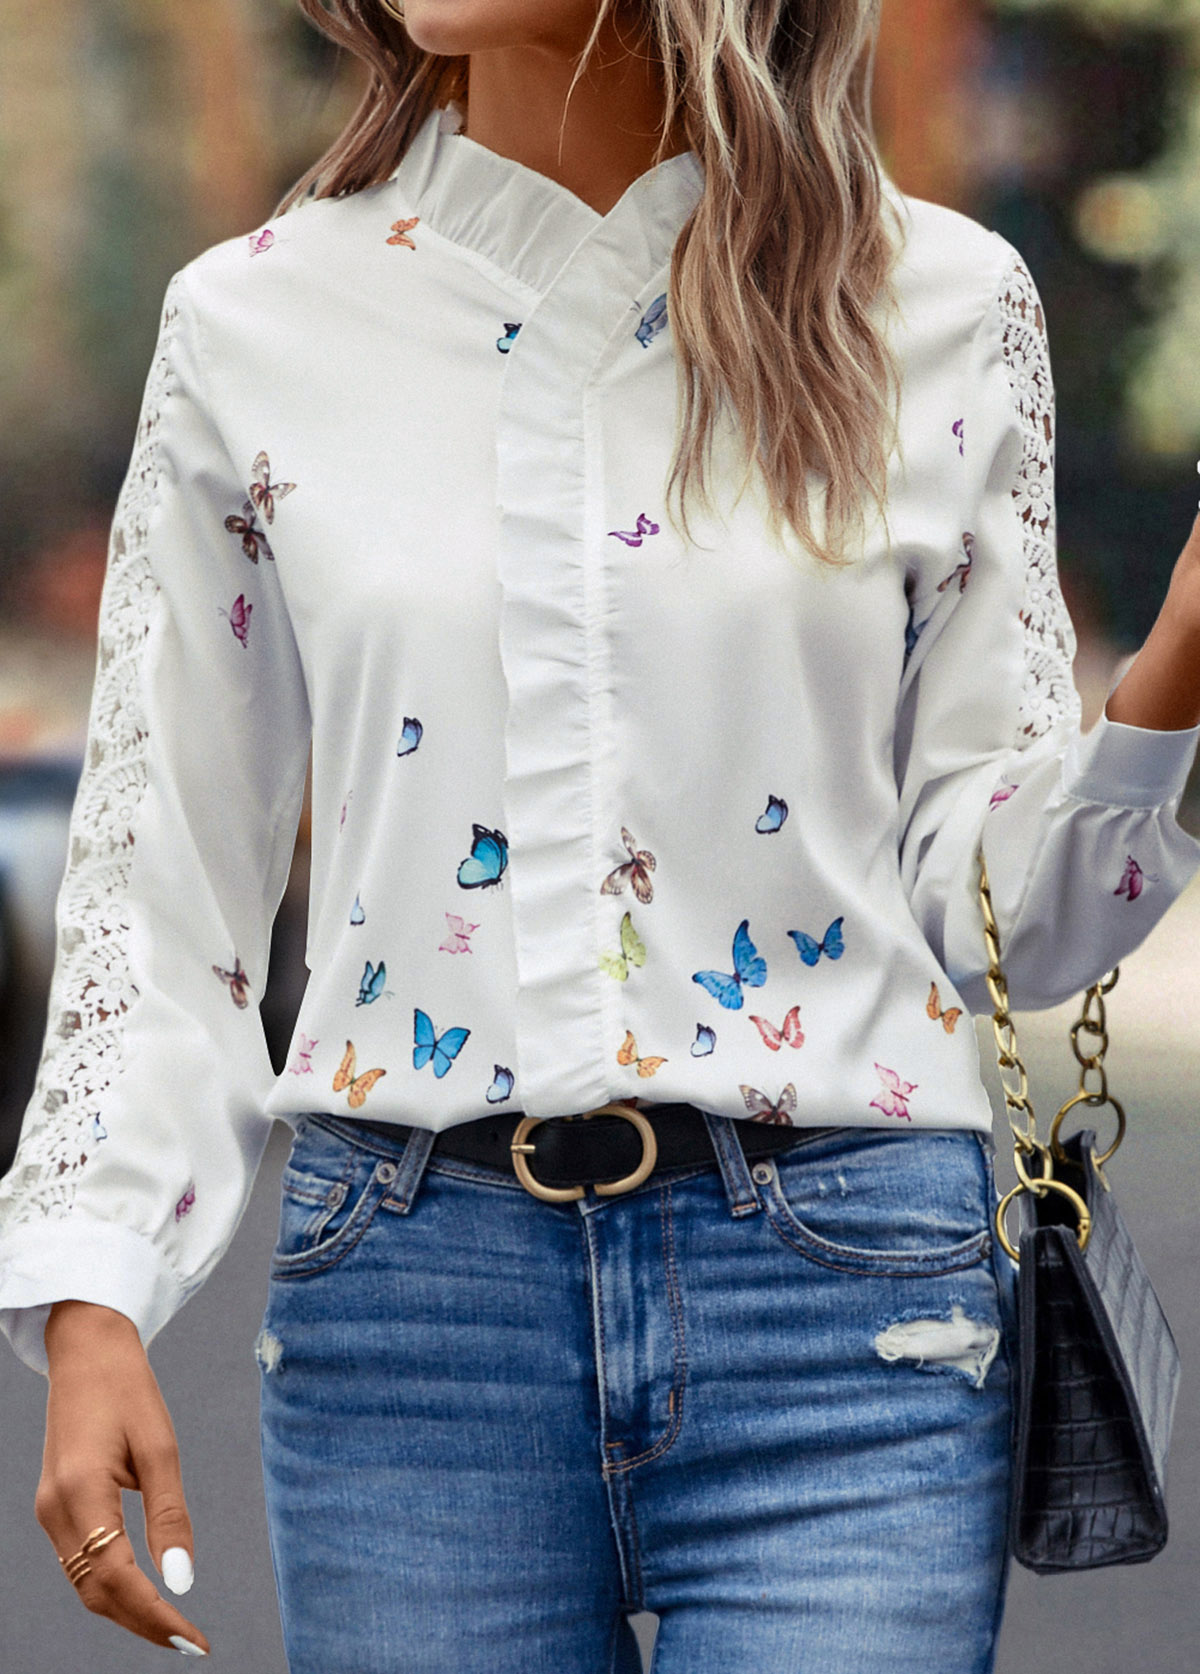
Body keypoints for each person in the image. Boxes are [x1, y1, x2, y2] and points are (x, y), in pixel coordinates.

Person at [2, 0, 1200, 1668]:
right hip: (412, 1328)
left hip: (849, 1319)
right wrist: (93, 1290)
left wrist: (1178, 661)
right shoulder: (255, 323)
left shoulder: (935, 302)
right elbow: (163, 877)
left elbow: (1008, 914)